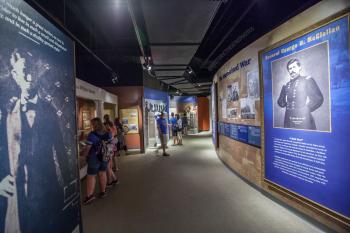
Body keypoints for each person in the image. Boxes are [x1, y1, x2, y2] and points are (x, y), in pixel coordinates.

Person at [0, 49, 75, 232]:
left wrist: (68, 181)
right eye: (20, 72)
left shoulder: (48, 110)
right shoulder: (8, 112)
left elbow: (59, 147)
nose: (26, 76)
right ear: (15, 76)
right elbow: (2, 148)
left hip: (47, 188)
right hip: (17, 195)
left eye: (28, 70)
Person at [277, 58, 324, 130]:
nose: (292, 70)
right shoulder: (285, 85)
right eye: (290, 68)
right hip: (288, 120)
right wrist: (284, 100)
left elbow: (318, 99)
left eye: (294, 67)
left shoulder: (307, 80)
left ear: (299, 67)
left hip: (303, 119)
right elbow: (280, 103)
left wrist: (305, 110)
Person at [81, 117, 112, 204]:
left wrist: (84, 155)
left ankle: (89, 196)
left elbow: (87, 149)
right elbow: (111, 145)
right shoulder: (108, 133)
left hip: (94, 158)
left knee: (91, 176)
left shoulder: (92, 135)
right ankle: (103, 192)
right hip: (104, 157)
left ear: (94, 125)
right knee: (102, 174)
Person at [103, 115, 119, 188]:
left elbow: (107, 139)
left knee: (108, 166)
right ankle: (113, 179)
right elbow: (115, 134)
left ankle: (110, 181)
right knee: (109, 165)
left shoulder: (108, 131)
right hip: (112, 147)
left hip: (108, 149)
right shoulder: (113, 125)